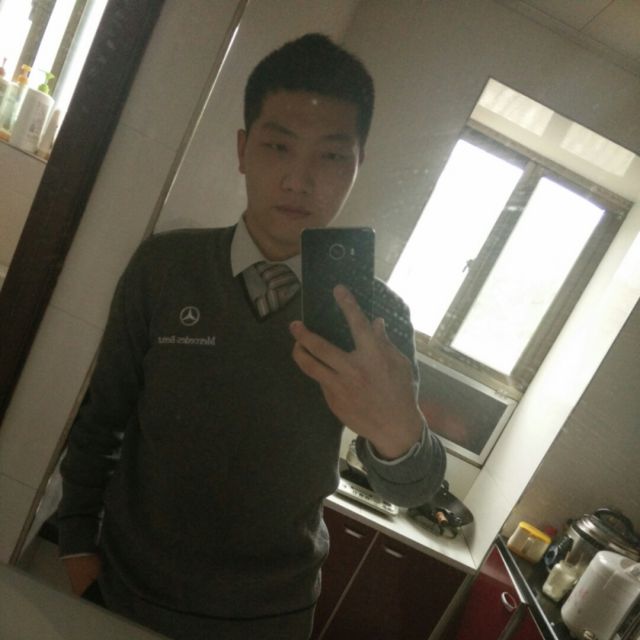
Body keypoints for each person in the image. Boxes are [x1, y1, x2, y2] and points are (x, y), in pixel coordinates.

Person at [57, 33, 446, 640]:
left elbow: (413, 488)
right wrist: (77, 547)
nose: (298, 180)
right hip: (124, 591)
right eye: (278, 146)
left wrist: (398, 434)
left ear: (357, 166)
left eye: (331, 156)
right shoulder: (165, 268)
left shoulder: (377, 317)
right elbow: (101, 418)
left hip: (270, 618)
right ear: (243, 150)